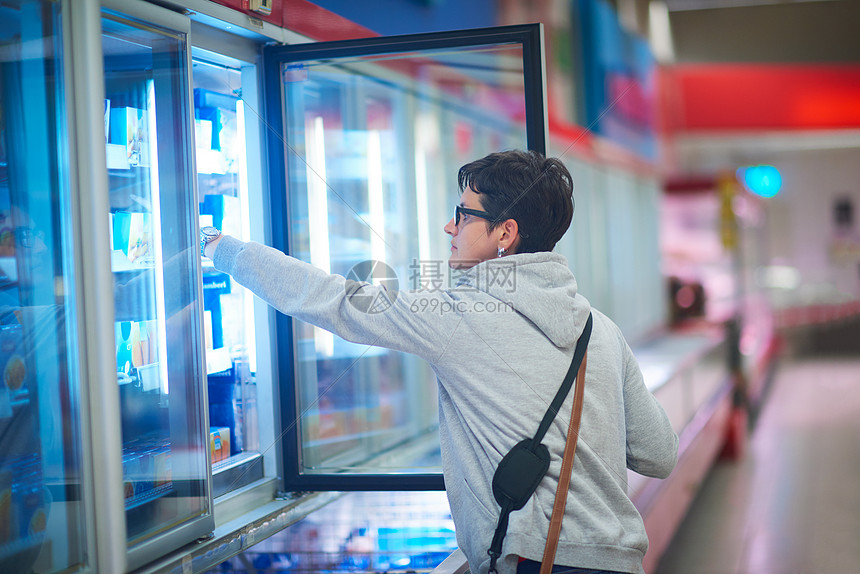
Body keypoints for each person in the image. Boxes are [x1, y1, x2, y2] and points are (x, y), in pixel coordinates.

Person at [202, 149, 678, 574]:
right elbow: (659, 453)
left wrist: (221, 248)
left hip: (538, 561)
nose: (451, 227)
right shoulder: (601, 329)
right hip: (620, 558)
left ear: (505, 233)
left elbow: (335, 300)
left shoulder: (458, 314)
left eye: (463, 214)